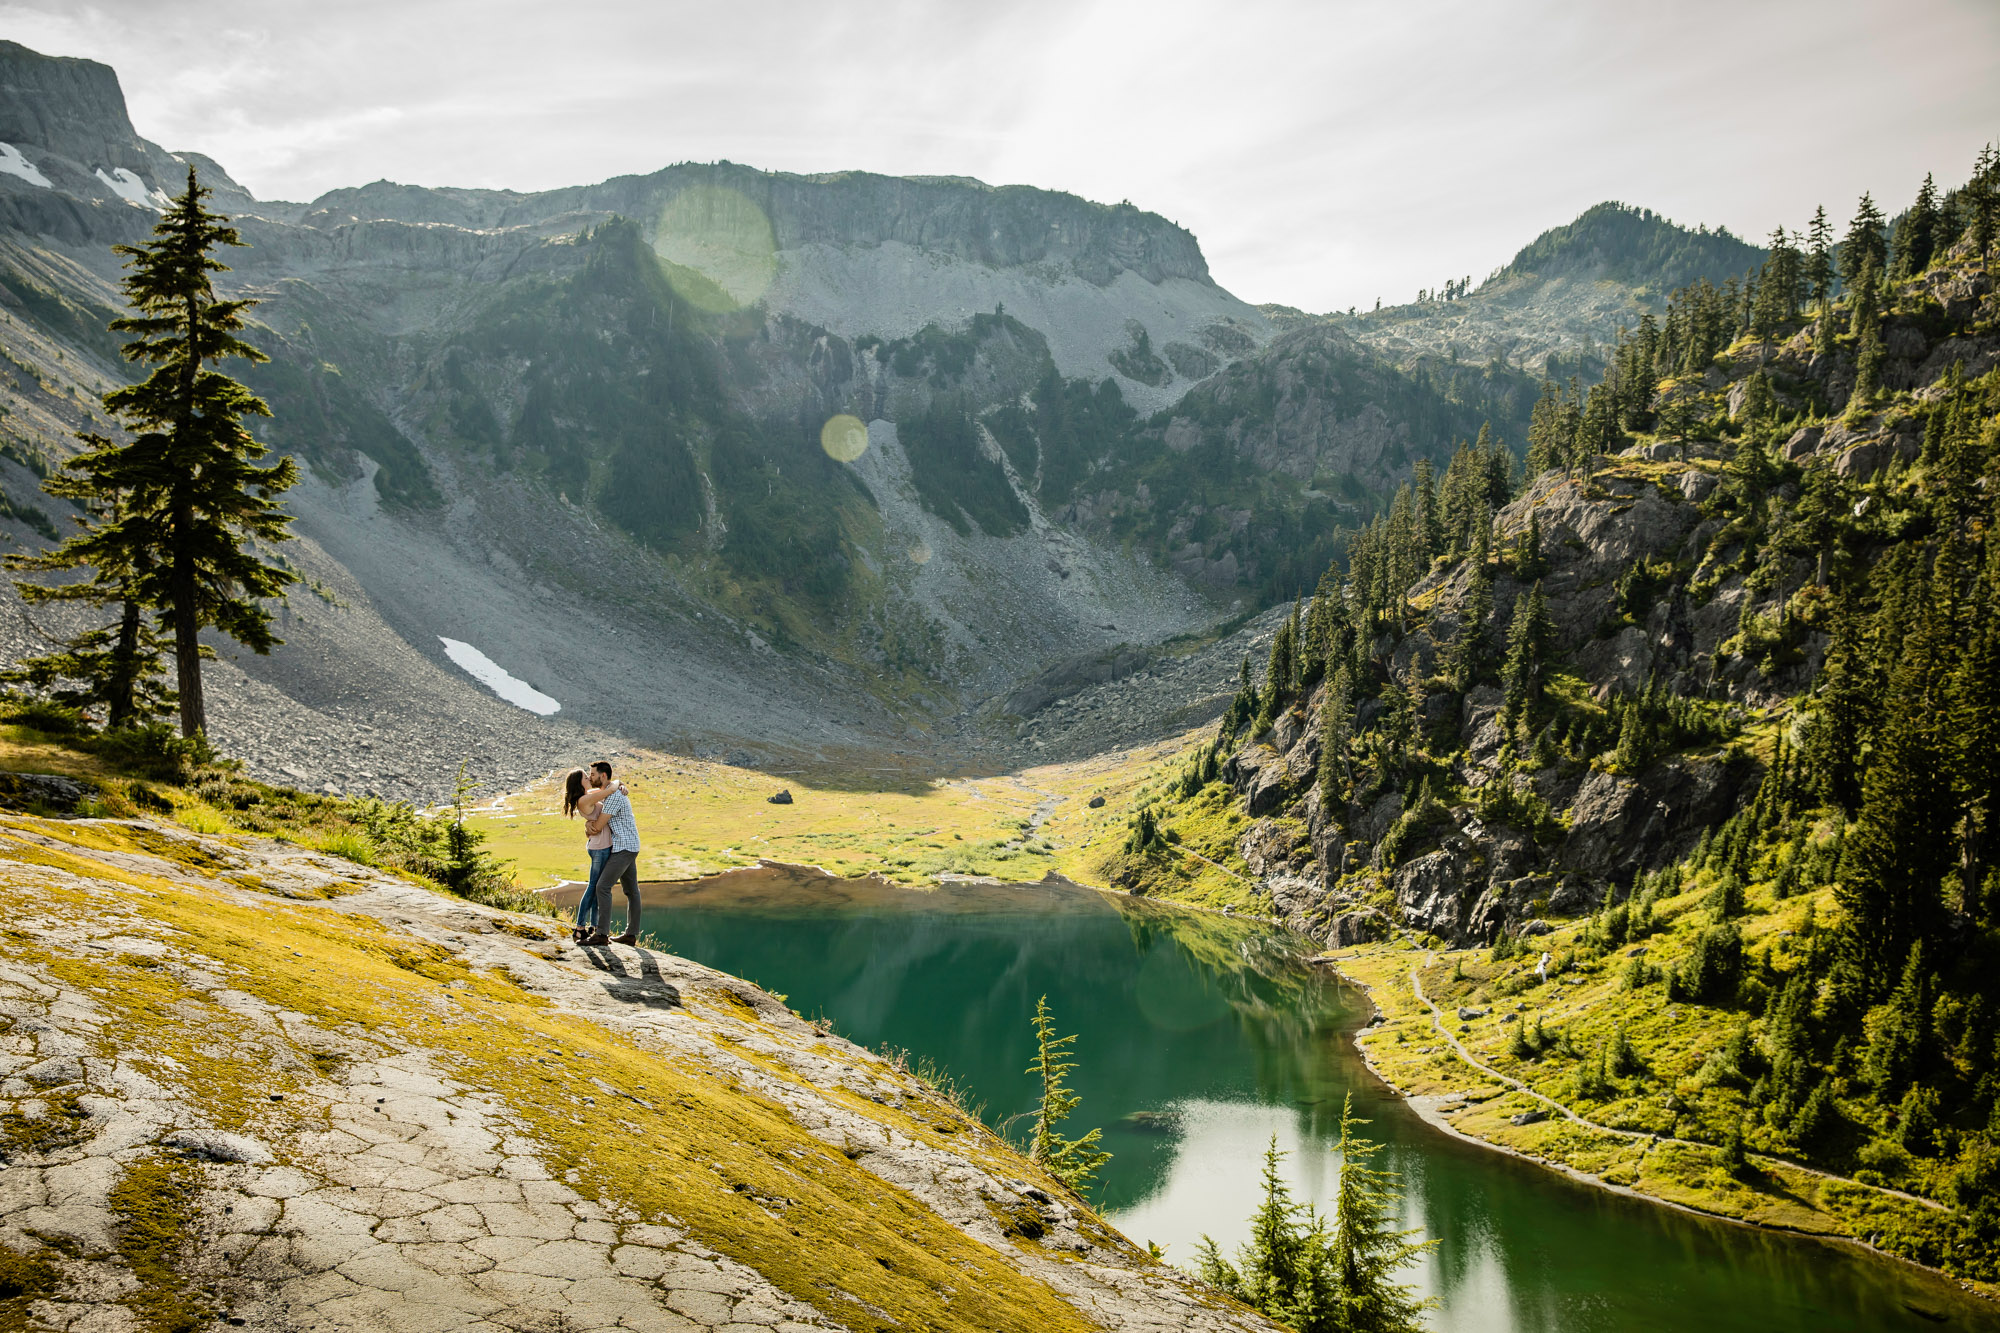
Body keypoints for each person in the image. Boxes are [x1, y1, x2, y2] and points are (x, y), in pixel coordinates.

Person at [585, 760, 642, 946]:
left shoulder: (614, 796)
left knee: (602, 887)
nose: (590, 777)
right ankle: (631, 935)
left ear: (603, 775)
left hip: (624, 848)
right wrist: (619, 782)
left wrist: (588, 826)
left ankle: (602, 934)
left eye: (592, 774)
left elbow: (599, 826)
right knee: (632, 891)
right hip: (629, 845)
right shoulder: (611, 791)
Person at [562, 768, 613, 943]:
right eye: (586, 777)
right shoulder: (585, 798)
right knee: (593, 888)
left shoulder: (586, 795)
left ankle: (595, 926)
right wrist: (619, 785)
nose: (589, 778)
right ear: (580, 782)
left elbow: (603, 791)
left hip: (600, 845)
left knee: (598, 888)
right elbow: (609, 790)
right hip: (600, 847)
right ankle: (580, 928)